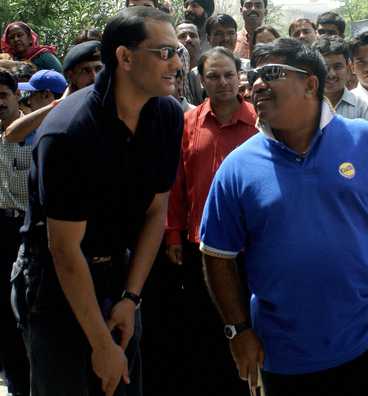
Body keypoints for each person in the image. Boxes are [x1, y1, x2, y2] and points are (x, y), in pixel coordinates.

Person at [200, 37, 368, 396]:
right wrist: (238, 330)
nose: (256, 83)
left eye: (271, 72)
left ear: (310, 84)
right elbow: (217, 255)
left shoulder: (367, 139)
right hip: (284, 354)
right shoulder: (237, 167)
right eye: (254, 74)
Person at [10, 7, 183, 396]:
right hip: (57, 283)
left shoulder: (167, 116)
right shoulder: (69, 132)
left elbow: (157, 211)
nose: (176, 63)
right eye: (165, 52)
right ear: (124, 57)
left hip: (119, 276)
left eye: (179, 52)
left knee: (122, 384)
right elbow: (65, 249)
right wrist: (101, 345)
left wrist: (130, 298)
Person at [165, 46, 257, 395]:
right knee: (208, 328)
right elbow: (176, 182)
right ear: (200, 81)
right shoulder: (188, 123)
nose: (222, 83)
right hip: (201, 246)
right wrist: (172, 234)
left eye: (229, 75)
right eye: (213, 76)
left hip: (253, 244)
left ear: (239, 77)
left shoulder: (261, 123)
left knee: (252, 324)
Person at [4, 40, 102, 144]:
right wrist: (60, 104)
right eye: (85, 71)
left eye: (99, 69)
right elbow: (11, 135)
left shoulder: (115, 103)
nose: (94, 77)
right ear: (71, 76)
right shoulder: (65, 113)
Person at [0, 69, 30, 396]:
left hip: (24, 229)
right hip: (0, 229)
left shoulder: (35, 131)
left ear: (16, 96)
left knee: (23, 308)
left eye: (3, 95)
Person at [311, 35, 368, 121]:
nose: (331, 74)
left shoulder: (364, 106)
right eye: (325, 68)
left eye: (337, 67)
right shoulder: (306, 106)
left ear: (349, 67)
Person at [177, 22, 203, 104]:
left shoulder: (207, 71)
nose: (188, 39)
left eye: (193, 35)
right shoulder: (171, 76)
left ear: (200, 41)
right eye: (182, 36)